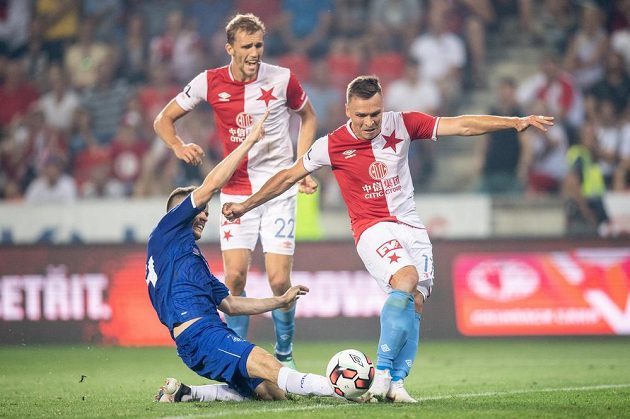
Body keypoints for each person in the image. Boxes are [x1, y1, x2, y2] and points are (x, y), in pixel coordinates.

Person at [222, 75, 553, 403]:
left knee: (418, 301)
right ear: (348, 111)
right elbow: (286, 177)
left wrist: (512, 122)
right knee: (406, 279)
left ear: (384, 107)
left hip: (411, 227)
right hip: (371, 228)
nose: (369, 122)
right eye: (362, 115)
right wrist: (245, 206)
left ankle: (396, 383)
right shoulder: (331, 144)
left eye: (375, 114)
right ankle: (380, 375)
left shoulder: (403, 124)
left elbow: (461, 125)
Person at [153, 13, 318, 369]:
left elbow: (309, 117)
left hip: (278, 188)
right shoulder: (208, 82)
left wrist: (303, 165)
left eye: (259, 44)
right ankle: (242, 353)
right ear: (230, 48)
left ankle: (285, 355)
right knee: (235, 279)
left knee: (278, 279)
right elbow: (162, 119)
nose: (255, 52)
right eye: (247, 46)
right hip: (236, 190)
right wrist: (178, 145)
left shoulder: (283, 79)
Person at [147, 112, 333, 403]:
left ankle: (187, 394)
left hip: (199, 339)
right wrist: (248, 142)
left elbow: (231, 304)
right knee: (274, 368)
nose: (204, 215)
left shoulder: (187, 259)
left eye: (205, 212)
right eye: (199, 209)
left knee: (273, 393)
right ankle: (347, 388)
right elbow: (209, 186)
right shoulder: (166, 231)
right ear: (176, 214)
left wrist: (279, 301)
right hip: (201, 335)